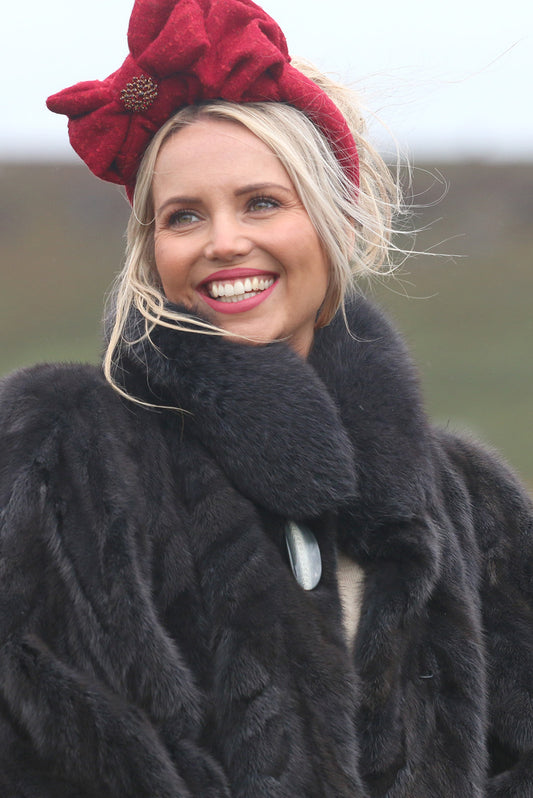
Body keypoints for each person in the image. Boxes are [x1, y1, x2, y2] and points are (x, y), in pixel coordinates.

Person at [0, 0, 532, 795]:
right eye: (183, 216)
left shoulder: (467, 500)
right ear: (152, 252)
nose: (222, 242)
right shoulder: (64, 454)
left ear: (335, 224)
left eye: (261, 203)